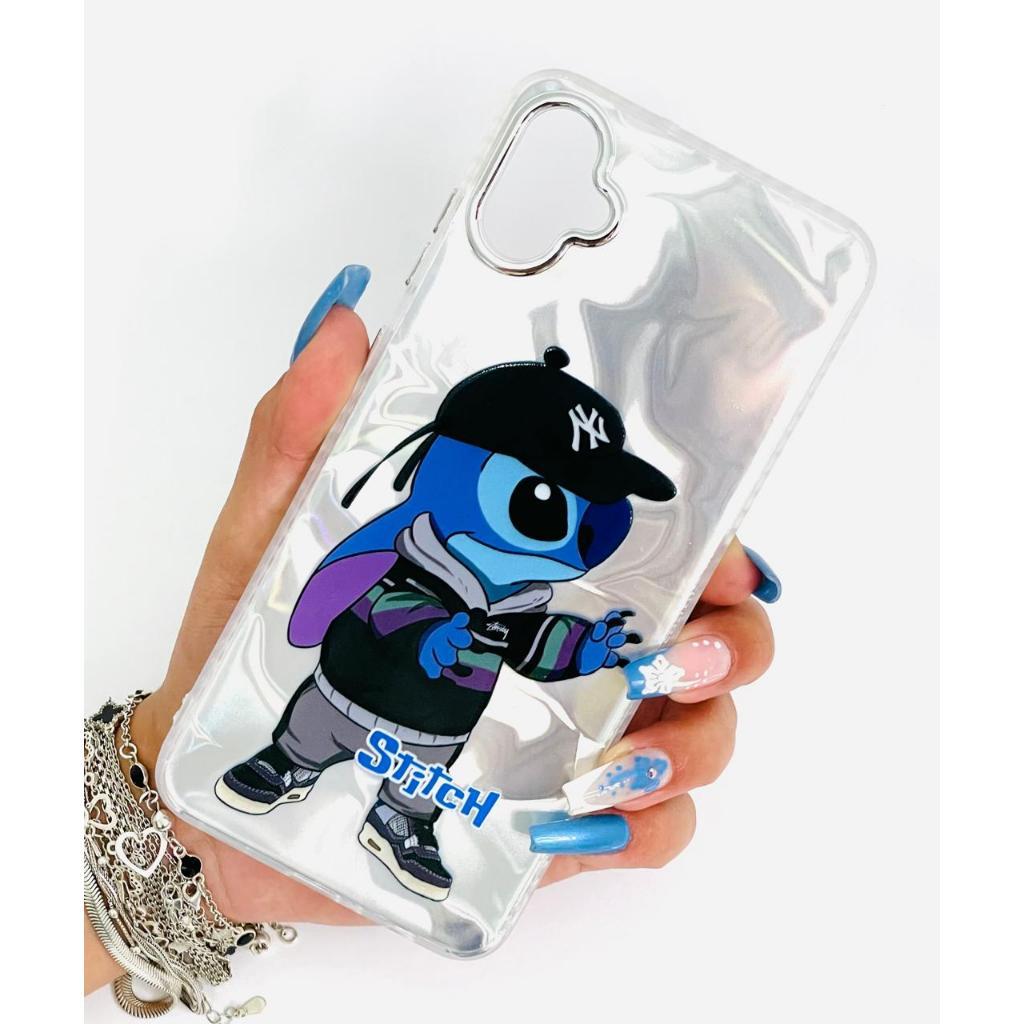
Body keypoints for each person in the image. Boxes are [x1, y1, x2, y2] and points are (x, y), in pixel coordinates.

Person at [84, 266, 778, 993]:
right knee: (312, 730)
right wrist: (430, 634)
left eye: (594, 518)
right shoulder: (412, 551)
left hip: (437, 730)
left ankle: (399, 821)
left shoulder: (524, 600)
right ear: (455, 463)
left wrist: (588, 648)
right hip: (348, 687)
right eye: (545, 501)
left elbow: (535, 648)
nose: (570, 537)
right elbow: (382, 602)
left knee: (421, 784)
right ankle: (287, 762)